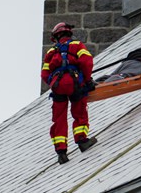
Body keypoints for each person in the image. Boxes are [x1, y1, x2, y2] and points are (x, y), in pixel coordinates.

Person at [41, 22, 98, 165]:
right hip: (74, 83)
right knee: (79, 111)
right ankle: (82, 141)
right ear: (69, 34)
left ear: (56, 36)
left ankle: (61, 152)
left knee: (59, 118)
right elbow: (87, 62)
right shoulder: (77, 45)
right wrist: (87, 79)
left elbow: (44, 73)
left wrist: (53, 82)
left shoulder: (51, 52)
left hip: (58, 86)